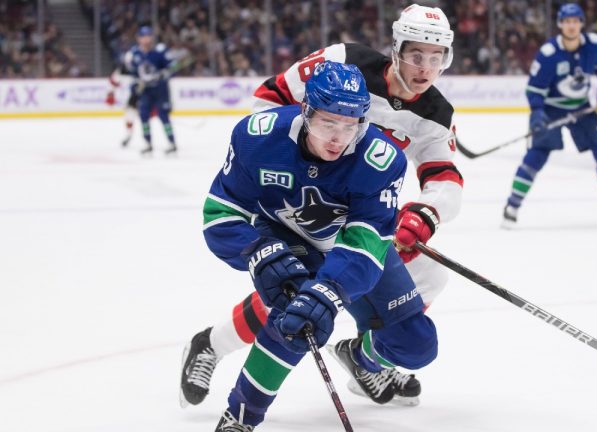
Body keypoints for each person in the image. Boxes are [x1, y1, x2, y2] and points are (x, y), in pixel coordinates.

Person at [181, 4, 461, 408]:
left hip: (355, 216)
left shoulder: (436, 114)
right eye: (416, 55)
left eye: (436, 59)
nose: (425, 68)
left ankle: (367, 357)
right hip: (295, 196)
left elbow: (444, 179)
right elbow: (269, 100)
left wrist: (424, 213)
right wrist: (289, 166)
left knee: (429, 273)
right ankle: (212, 344)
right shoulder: (344, 62)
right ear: (396, 49)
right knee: (297, 287)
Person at [199, 60, 437, 431]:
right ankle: (241, 416)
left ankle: (360, 358)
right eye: (328, 122)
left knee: (417, 344)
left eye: (349, 125)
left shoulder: (381, 161)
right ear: (306, 111)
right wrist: (256, 251)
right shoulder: (258, 138)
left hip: (348, 248)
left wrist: (330, 291)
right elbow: (220, 214)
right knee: (295, 320)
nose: (337, 138)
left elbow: (364, 243)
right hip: (285, 235)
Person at [501, 3, 597, 228]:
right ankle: (512, 206)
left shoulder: (595, 46)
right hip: (550, 109)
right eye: (567, 22)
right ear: (560, 24)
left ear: (581, 24)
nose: (571, 26)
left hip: (581, 107)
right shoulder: (549, 54)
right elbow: (534, 89)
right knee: (537, 155)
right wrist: (537, 113)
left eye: (575, 21)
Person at [123, 26, 182, 155]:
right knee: (144, 116)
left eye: (148, 36)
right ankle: (148, 143)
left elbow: (174, 66)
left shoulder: (160, 51)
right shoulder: (135, 54)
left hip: (160, 90)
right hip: (145, 91)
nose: (146, 39)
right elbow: (132, 73)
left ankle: (172, 143)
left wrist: (165, 73)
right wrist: (136, 85)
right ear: (138, 38)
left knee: (163, 116)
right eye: (143, 36)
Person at [105, 65, 140, 148]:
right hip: (130, 100)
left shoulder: (139, 66)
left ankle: (147, 138)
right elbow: (112, 82)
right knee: (129, 117)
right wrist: (110, 95)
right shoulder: (121, 70)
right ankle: (129, 135)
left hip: (141, 96)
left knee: (143, 118)